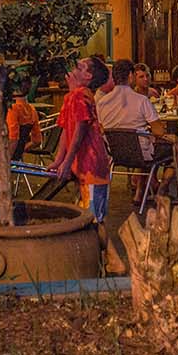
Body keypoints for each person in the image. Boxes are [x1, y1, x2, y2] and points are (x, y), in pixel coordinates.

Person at [49, 56, 113, 230]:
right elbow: (65, 129)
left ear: (88, 77)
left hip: (91, 166)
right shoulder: (73, 95)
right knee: (85, 217)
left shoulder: (80, 95)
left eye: (80, 67)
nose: (74, 69)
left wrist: (66, 160)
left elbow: (79, 130)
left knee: (93, 222)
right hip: (84, 166)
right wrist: (59, 159)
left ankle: (101, 255)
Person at [98, 59, 174, 203]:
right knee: (177, 147)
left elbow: (100, 128)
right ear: (131, 76)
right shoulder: (141, 100)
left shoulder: (102, 102)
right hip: (142, 153)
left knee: (142, 144)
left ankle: (141, 191)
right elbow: (158, 130)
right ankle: (162, 189)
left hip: (115, 153)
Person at [0, 87, 44, 157]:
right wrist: (21, 150)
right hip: (14, 154)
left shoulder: (12, 109)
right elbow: (37, 141)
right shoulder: (32, 110)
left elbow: (13, 139)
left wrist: (7, 159)